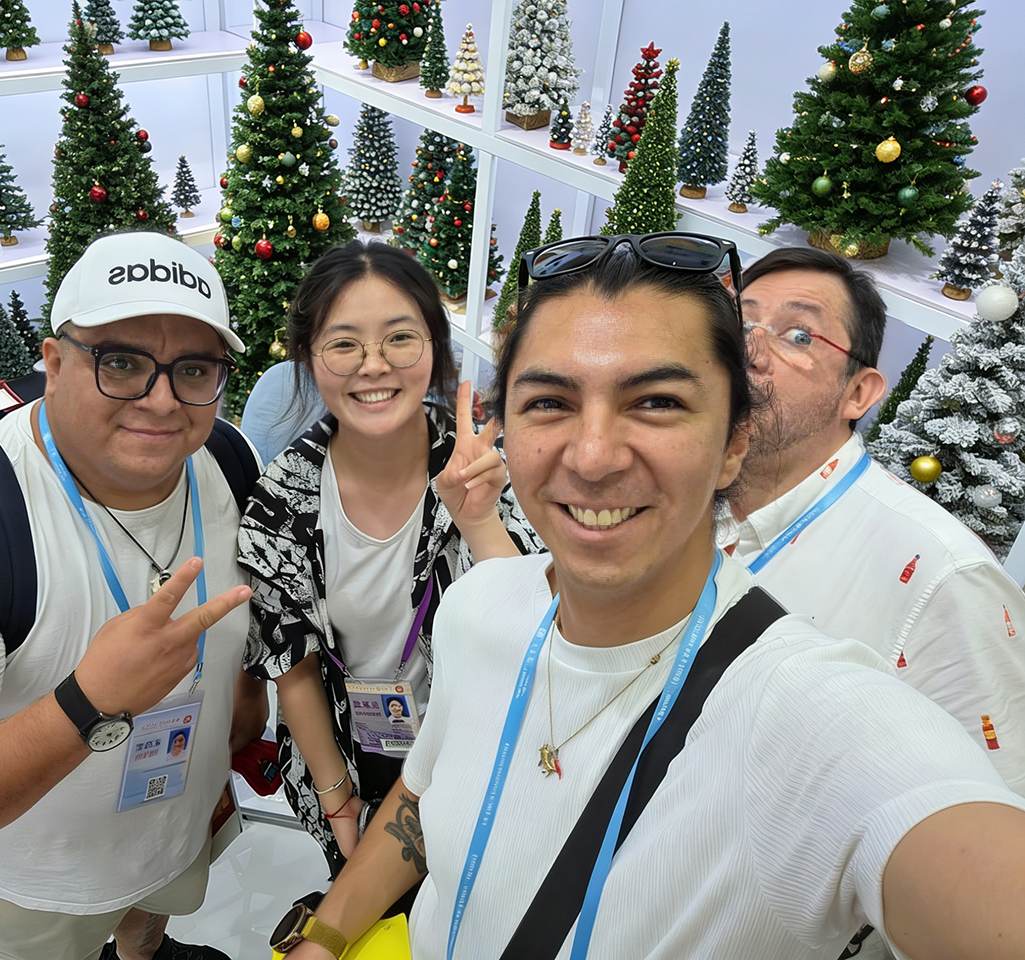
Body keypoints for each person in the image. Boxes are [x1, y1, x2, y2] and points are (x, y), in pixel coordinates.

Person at [277, 233, 1025, 960]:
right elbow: (422, 794)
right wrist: (326, 937)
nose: (593, 455)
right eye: (549, 402)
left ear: (734, 442)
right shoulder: (480, 607)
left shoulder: (808, 713)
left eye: (658, 401)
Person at [0, 231, 268, 960]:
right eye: (121, 363)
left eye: (193, 368)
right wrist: (89, 701)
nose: (162, 400)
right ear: (52, 363)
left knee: (150, 923)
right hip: (35, 879)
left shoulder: (229, 459)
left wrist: (242, 696)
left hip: (173, 822)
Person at [238, 240, 543, 877]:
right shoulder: (281, 501)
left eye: (400, 338)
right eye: (344, 344)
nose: (373, 365)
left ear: (434, 346)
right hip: (348, 762)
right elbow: (290, 664)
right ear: (308, 357)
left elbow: (536, 634)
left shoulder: (489, 473)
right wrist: (336, 798)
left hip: (481, 765)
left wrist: (480, 520)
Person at [722, 246, 1025, 797]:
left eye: (799, 336)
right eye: (740, 325)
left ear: (858, 393)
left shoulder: (944, 577)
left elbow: (998, 806)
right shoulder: (684, 497)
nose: (750, 351)